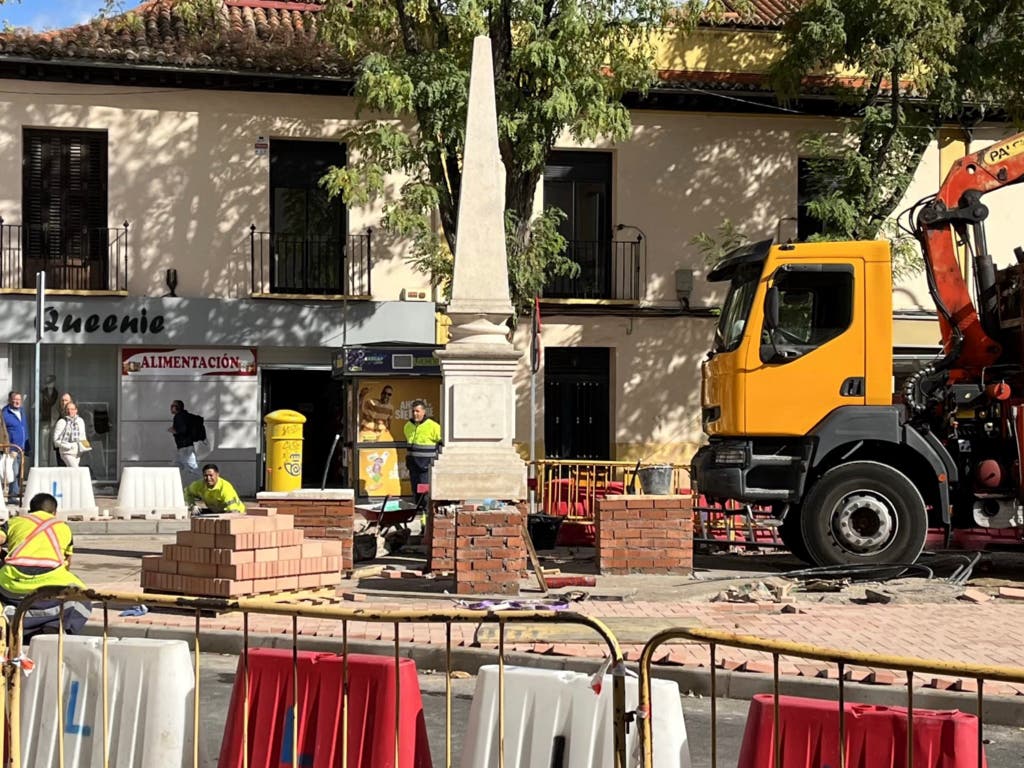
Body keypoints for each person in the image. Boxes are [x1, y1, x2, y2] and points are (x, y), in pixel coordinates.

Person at [0, 493, 92, 640]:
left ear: (30, 511)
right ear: (55, 513)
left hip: (11, 584)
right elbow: (67, 562)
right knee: (83, 597)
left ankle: (10, 621)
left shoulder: (15, 522)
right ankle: (56, 628)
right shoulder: (63, 527)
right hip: (50, 586)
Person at [403, 400, 441, 509]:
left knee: (425, 492)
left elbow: (442, 442)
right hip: (413, 465)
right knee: (415, 490)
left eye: (417, 411)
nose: (415, 414)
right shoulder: (408, 426)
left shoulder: (433, 426)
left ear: (424, 412)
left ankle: (425, 514)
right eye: (413, 411)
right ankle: (418, 511)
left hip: (425, 466)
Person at [2, 392, 30, 502]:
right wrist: (7, 447)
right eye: (14, 399)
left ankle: (15, 494)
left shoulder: (22, 411)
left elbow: (24, 429)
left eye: (18, 399)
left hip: (21, 448)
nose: (16, 401)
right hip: (11, 448)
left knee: (19, 472)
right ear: (9, 400)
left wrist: (27, 447)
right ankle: (13, 495)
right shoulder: (5, 413)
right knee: (13, 472)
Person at [168, 400, 200, 484]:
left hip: (185, 447)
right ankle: (173, 486)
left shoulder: (179, 416)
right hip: (184, 447)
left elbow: (183, 430)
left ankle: (204, 485)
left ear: (177, 407)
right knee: (175, 466)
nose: (171, 408)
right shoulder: (184, 416)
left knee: (193, 468)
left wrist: (174, 430)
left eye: (172, 406)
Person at [53, 402, 91, 468]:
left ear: (76, 410)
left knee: (71, 472)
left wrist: (85, 447)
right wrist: (68, 446)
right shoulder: (61, 422)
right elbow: (56, 440)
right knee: (75, 470)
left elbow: (83, 436)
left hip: (77, 453)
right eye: (68, 409)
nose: (70, 411)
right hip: (66, 452)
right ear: (65, 410)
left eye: (72, 409)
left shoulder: (80, 421)